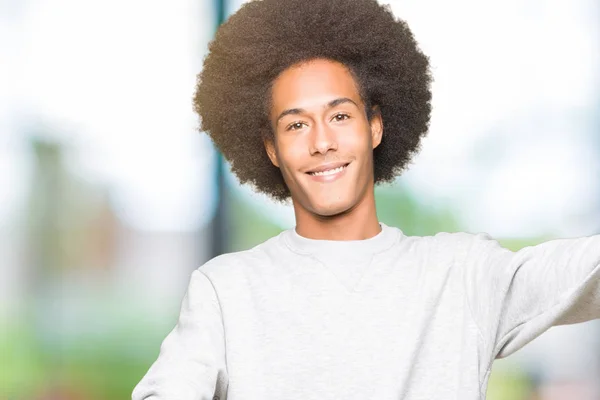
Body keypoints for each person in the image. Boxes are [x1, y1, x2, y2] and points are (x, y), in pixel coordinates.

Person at [131, 0, 600, 399]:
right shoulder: (225, 290)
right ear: (271, 148)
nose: (321, 142)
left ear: (374, 126)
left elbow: (584, 270)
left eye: (339, 115)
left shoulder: (462, 274)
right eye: (296, 124)